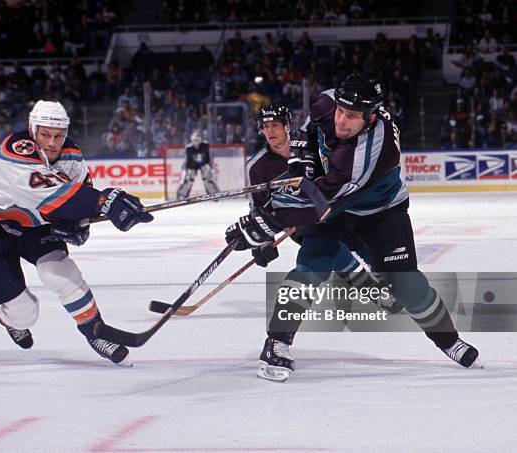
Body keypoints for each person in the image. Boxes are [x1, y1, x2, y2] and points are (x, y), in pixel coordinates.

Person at [226, 75, 480, 381]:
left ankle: (449, 341)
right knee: (312, 264)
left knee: (405, 284)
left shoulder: (369, 150)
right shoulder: (328, 102)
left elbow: (320, 202)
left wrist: (265, 222)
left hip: (380, 213)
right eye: (341, 111)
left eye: (353, 116)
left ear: (370, 116)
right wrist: (301, 159)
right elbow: (308, 131)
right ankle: (277, 342)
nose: (342, 121)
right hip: (337, 208)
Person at [0, 100, 154, 366]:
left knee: (60, 272)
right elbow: (59, 197)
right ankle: (9, 319)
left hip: (31, 225)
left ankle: (95, 332)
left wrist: (81, 221)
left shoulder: (71, 153)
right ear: (32, 130)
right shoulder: (16, 152)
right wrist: (106, 201)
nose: (52, 143)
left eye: (58, 135)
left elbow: (80, 192)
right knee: (25, 313)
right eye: (45, 134)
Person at [236, 103, 400, 381]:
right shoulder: (258, 167)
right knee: (313, 268)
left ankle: (379, 288)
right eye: (265, 127)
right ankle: (277, 341)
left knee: (372, 258)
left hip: (346, 213)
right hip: (307, 226)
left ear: (288, 125)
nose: (270, 131)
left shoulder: (312, 141)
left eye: (275, 125)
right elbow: (261, 212)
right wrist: (264, 241)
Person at [175, 130, 220, 200]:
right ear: (191, 140)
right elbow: (187, 160)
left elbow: (210, 157)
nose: (195, 142)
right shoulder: (189, 148)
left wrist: (212, 166)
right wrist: (184, 168)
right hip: (192, 164)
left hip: (203, 163)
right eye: (194, 140)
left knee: (208, 177)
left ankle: (213, 194)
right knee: (189, 178)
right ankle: (182, 195)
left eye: (197, 140)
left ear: (200, 140)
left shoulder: (205, 146)